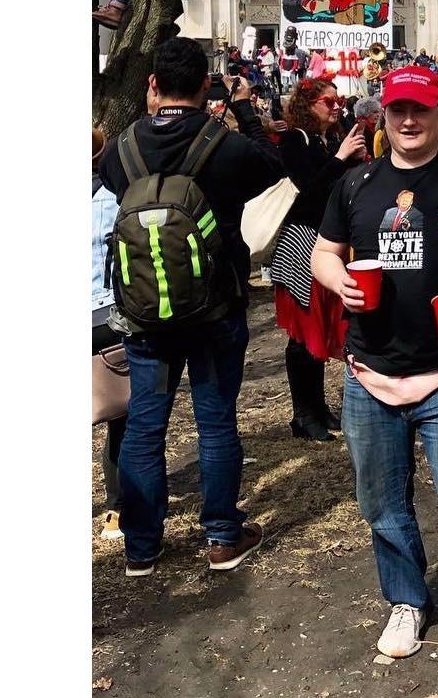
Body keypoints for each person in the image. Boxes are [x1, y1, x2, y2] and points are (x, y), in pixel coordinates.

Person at [311, 65, 438, 681]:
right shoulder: (356, 183)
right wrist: (331, 275)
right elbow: (317, 250)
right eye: (397, 109)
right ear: (383, 114)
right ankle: (405, 599)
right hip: (369, 370)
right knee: (380, 502)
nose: (407, 120)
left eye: (421, 109)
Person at [98, 38, 283, 574]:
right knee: (216, 419)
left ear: (152, 84)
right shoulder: (221, 146)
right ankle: (222, 536)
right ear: (207, 85)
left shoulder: (122, 149)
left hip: (142, 312)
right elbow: (272, 165)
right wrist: (244, 108)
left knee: (146, 425)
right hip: (214, 310)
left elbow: (110, 180)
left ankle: (141, 546)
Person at [270, 79, 368, 441]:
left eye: (338, 100)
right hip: (302, 240)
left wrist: (349, 160)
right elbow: (309, 187)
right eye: (329, 100)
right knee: (303, 330)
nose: (336, 106)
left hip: (328, 240)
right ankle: (303, 413)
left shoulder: (331, 138)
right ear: (308, 103)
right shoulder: (295, 139)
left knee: (323, 327)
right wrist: (340, 158)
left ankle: (317, 408)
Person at [92, 126, 127, 541]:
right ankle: (116, 506)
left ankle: (116, 506)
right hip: (108, 316)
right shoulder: (116, 197)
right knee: (121, 416)